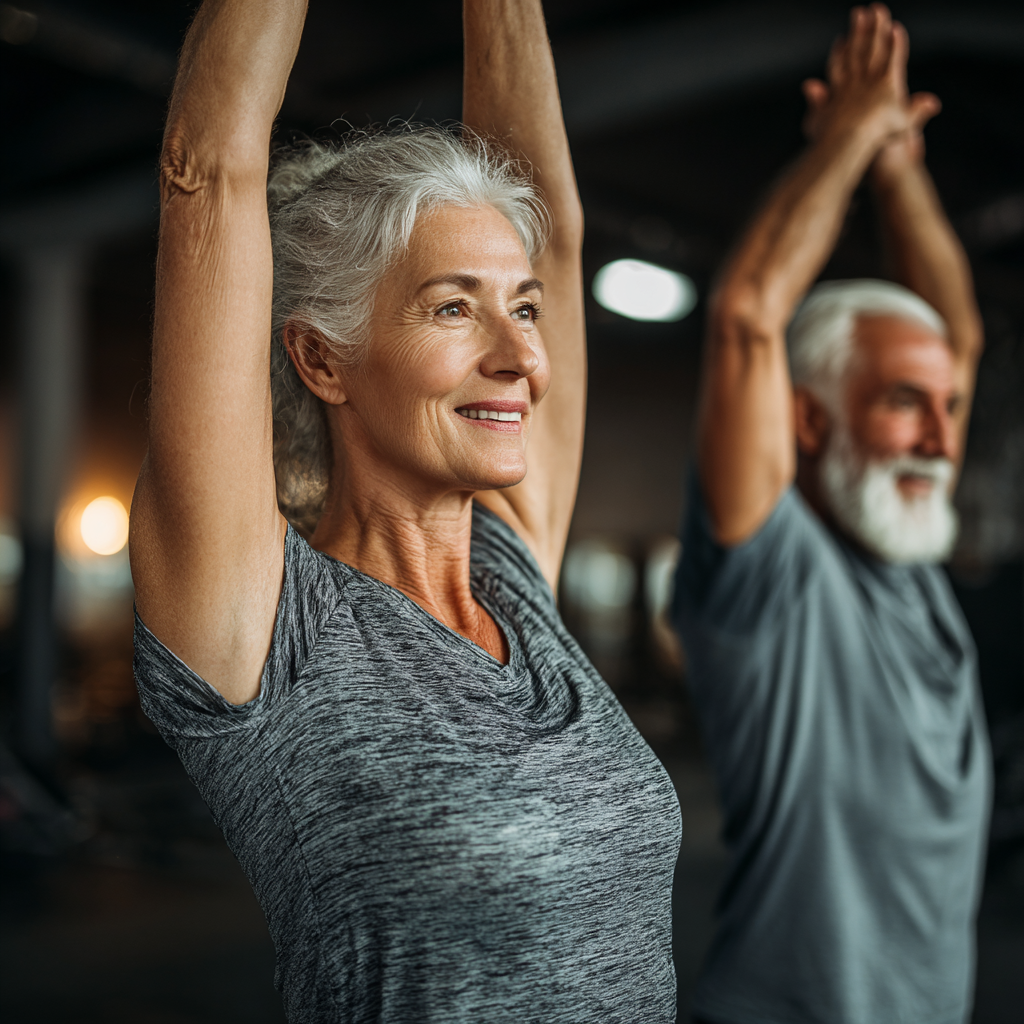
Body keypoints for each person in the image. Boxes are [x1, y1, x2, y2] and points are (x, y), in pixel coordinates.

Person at [129, 1, 681, 1021]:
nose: (521, 358)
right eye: (452, 306)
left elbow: (548, 220)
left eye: (520, 306)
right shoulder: (266, 629)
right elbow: (207, 174)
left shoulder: (513, 579)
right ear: (321, 358)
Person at [671, 6, 990, 1024]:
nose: (941, 440)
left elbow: (961, 341)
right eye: (902, 405)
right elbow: (747, 317)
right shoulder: (775, 576)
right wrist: (849, 139)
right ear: (806, 422)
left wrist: (899, 168)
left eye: (944, 409)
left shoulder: (906, 547)